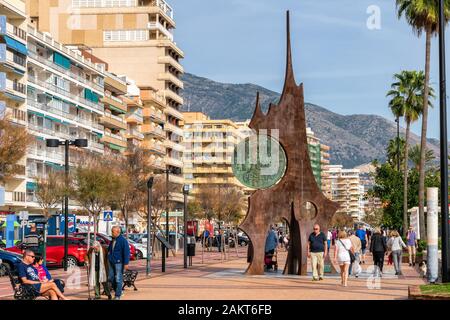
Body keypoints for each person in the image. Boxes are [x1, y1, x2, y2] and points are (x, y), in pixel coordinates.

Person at [108, 226, 130, 300]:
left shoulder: (123, 240)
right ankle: (119, 290)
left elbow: (126, 252)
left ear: (117, 232)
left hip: (119, 263)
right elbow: (110, 250)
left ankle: (118, 295)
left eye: (112, 231)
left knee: (118, 279)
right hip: (111, 262)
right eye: (111, 231)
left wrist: (126, 263)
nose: (111, 232)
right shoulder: (113, 240)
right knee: (110, 278)